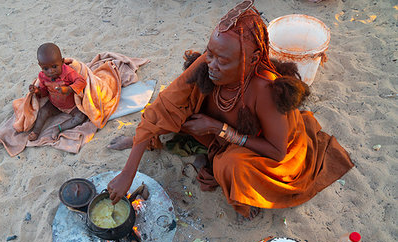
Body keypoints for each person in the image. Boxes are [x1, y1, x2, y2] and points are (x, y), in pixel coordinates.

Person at [107, 1, 354, 219]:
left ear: (253, 60)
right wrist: (128, 173)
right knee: (172, 113)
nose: (211, 65)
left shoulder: (266, 90)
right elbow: (162, 108)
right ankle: (153, 142)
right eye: (210, 54)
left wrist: (219, 129)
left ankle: (231, 180)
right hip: (216, 131)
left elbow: (278, 153)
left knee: (230, 165)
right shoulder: (207, 64)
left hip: (263, 150)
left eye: (222, 60)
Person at [28, 43, 87, 140]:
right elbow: (44, 93)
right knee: (43, 112)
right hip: (54, 104)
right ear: (40, 66)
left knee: (80, 117)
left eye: (55, 66)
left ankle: (59, 128)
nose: (50, 71)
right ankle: (36, 132)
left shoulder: (68, 73)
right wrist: (37, 91)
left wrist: (69, 89)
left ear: (62, 61)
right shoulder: (42, 76)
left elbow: (81, 81)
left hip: (71, 106)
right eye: (45, 68)